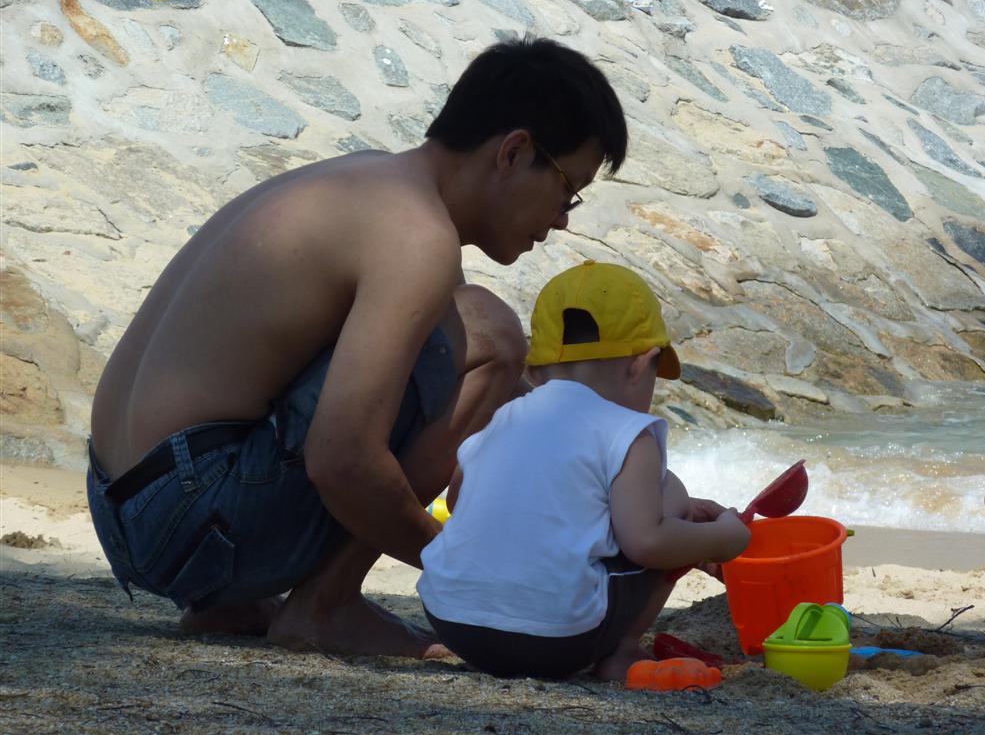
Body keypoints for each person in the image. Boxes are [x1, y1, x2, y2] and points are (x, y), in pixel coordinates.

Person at [85, 38, 628, 658]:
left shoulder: (370, 182)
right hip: (195, 521)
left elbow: (483, 398)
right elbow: (343, 459)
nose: (562, 220)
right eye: (568, 190)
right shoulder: (417, 236)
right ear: (513, 151)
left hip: (121, 510)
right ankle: (326, 606)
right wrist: (465, 570)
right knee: (493, 334)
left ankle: (228, 605)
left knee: (459, 330)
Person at [416, 261, 752, 680]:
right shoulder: (631, 432)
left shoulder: (505, 417)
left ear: (534, 372)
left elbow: (458, 499)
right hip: (554, 641)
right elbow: (648, 542)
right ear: (641, 364)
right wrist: (723, 538)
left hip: (452, 621)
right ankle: (623, 652)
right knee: (672, 493)